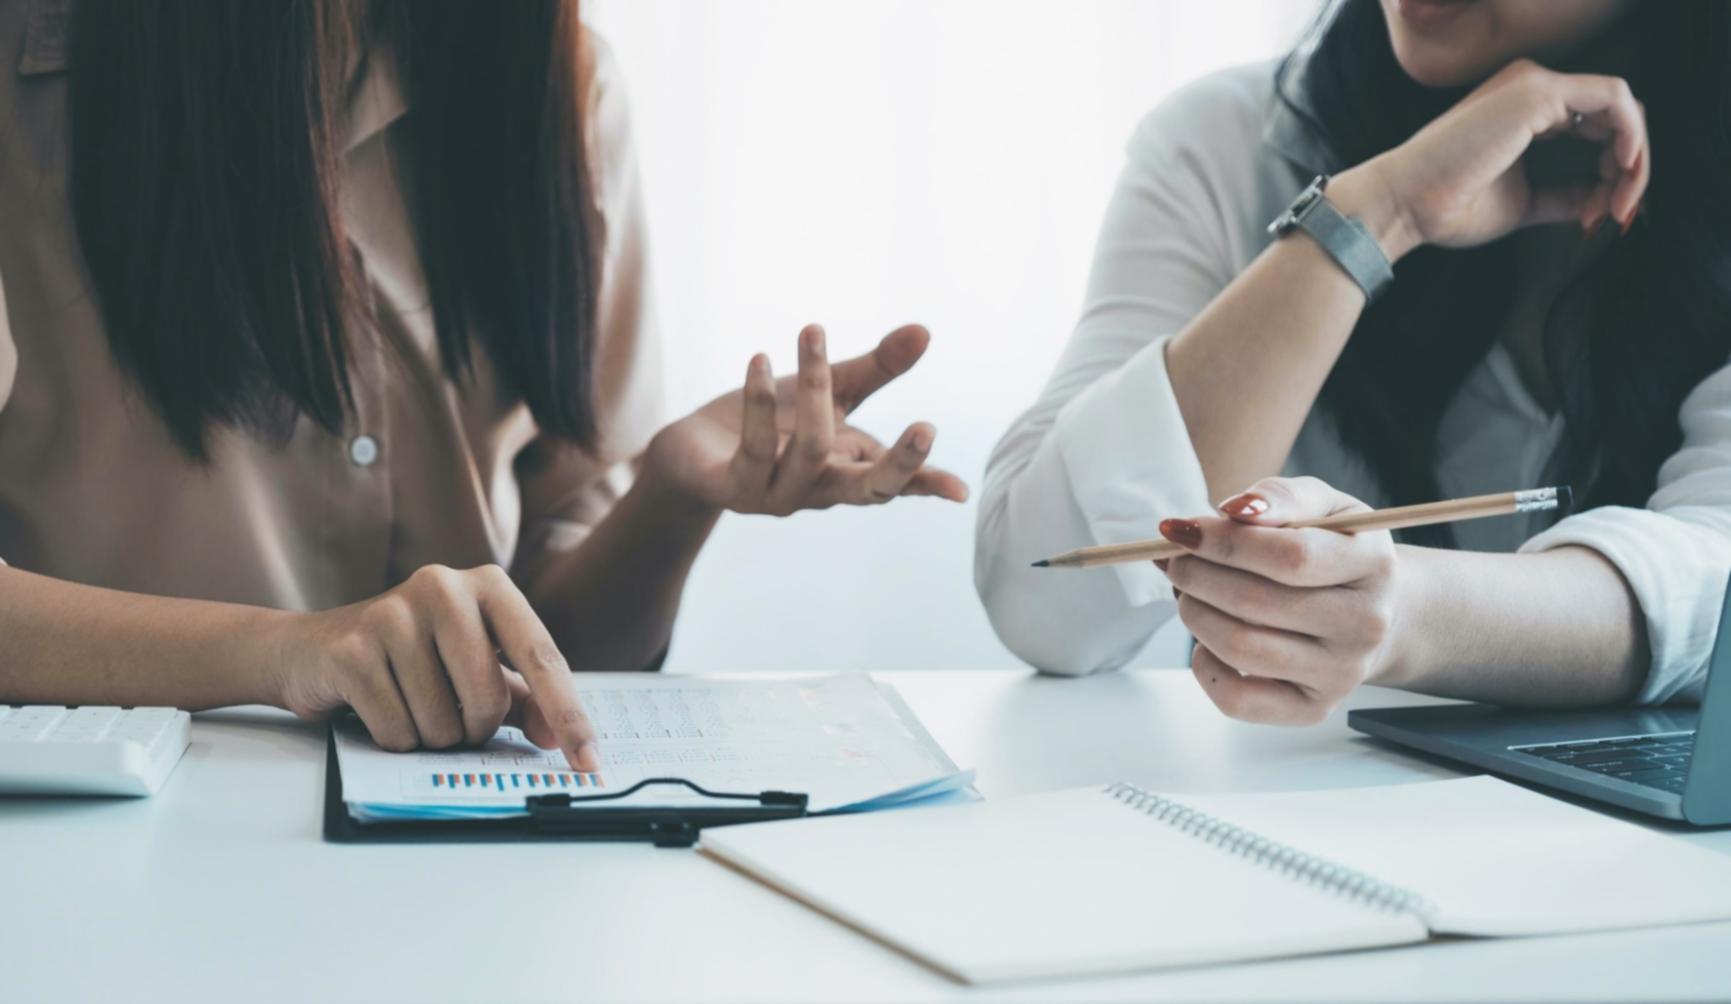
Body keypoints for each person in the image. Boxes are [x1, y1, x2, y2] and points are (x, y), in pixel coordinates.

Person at [0, 0, 967, 771]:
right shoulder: (30, 71)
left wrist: (668, 495)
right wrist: (289, 649)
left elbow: (563, 658)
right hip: (107, 846)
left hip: (469, 870)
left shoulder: (565, 87)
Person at [976, 0, 1731, 724]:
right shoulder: (1224, 141)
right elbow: (1045, 610)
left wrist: (1401, 612)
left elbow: (1714, 581)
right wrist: (1374, 214)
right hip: (1287, 818)